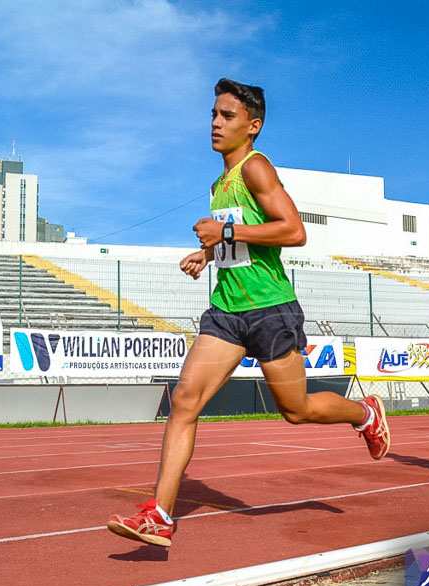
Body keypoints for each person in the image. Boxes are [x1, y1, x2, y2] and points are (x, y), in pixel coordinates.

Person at [107, 78, 391, 547]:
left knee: (296, 412)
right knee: (184, 401)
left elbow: (294, 231)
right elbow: (236, 239)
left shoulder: (256, 168)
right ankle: (159, 514)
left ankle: (364, 413)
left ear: (253, 126)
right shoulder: (219, 184)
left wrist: (227, 234)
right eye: (214, 115)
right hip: (227, 311)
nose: (216, 124)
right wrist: (208, 253)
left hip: (270, 310)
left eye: (228, 116)